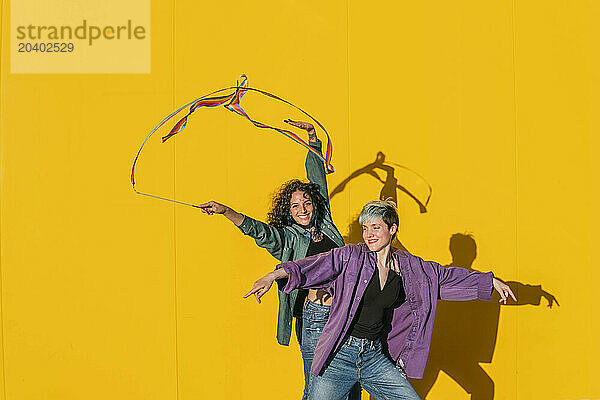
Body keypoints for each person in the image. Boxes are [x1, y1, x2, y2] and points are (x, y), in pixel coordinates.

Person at [245, 200, 516, 400]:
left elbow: (445, 277)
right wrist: (275, 275)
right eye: (365, 228)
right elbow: (317, 264)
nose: (369, 234)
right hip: (340, 356)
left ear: (392, 229)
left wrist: (490, 282)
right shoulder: (351, 256)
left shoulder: (412, 268)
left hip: (374, 357)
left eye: (376, 227)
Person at [198, 120, 360, 400]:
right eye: (295, 205)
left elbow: (318, 176)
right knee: (318, 387)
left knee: (348, 383)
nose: (303, 209)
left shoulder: (328, 224)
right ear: (288, 211)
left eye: (307, 203)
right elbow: (257, 231)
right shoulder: (287, 238)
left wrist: (312, 136)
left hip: (345, 313)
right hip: (315, 319)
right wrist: (227, 211)